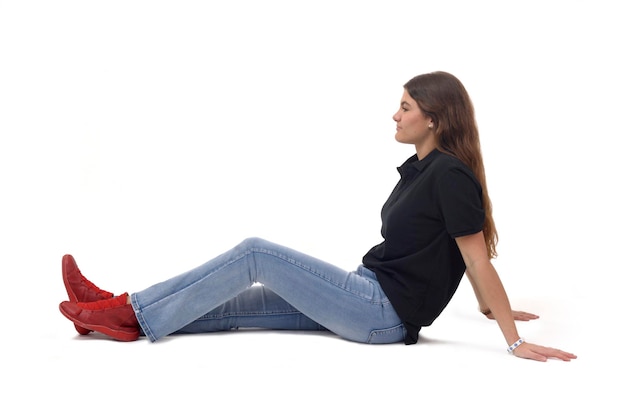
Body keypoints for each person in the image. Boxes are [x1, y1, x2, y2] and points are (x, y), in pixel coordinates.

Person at [59, 71, 577, 362]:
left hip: (381, 314)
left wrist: (511, 338)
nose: (395, 115)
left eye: (405, 106)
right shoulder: (421, 171)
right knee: (240, 305)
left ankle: (125, 311)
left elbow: (475, 258)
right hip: (366, 292)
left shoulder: (450, 175)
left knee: (255, 252)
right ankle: (116, 312)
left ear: (435, 119)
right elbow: (460, 259)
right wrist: (489, 310)